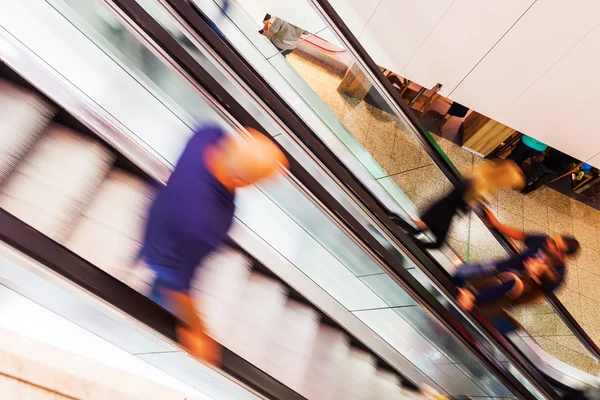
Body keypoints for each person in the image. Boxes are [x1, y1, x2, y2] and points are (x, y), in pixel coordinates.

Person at [140, 125, 288, 365]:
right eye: (258, 181)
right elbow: (176, 282)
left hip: (163, 211)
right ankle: (149, 319)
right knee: (163, 288)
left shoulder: (207, 135)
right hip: (166, 251)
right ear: (241, 181)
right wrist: (196, 328)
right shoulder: (202, 224)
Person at [453, 209, 580, 312]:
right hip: (500, 268)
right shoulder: (543, 241)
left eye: (554, 245)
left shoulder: (555, 276)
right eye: (553, 240)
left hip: (504, 285)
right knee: (462, 273)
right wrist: (497, 224)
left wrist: (473, 298)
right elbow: (522, 236)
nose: (549, 243)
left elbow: (535, 292)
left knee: (474, 285)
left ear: (561, 255)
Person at [391, 160, 525, 249]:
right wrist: (429, 218)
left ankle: (393, 219)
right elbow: (454, 199)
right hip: (442, 214)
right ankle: (405, 243)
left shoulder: (481, 175)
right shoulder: (480, 188)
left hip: (441, 209)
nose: (507, 187)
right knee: (437, 243)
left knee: (418, 231)